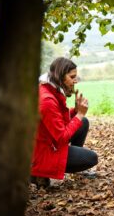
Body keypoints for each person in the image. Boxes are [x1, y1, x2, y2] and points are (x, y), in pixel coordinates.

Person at [30, 57, 98, 187]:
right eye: (72, 77)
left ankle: (71, 167)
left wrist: (75, 111)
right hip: (44, 152)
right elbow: (61, 137)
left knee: (83, 122)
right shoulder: (47, 100)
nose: (75, 81)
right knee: (91, 158)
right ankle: (38, 173)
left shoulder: (51, 89)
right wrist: (79, 114)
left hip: (50, 142)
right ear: (60, 76)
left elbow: (58, 119)